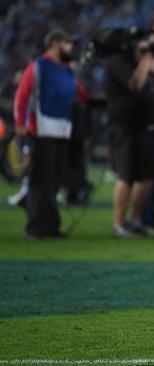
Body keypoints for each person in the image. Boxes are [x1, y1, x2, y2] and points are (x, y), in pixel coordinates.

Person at [13, 28, 86, 239]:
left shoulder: (66, 71)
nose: (71, 48)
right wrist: (20, 123)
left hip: (62, 130)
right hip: (41, 130)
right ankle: (35, 228)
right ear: (55, 43)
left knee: (55, 180)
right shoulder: (39, 66)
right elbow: (22, 95)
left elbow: (81, 94)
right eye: (68, 43)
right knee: (40, 180)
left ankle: (51, 226)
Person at [104, 33, 154, 238]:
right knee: (126, 175)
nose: (145, 49)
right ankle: (118, 224)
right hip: (123, 125)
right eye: (142, 45)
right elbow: (135, 84)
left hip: (142, 124)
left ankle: (134, 220)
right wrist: (146, 59)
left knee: (147, 176)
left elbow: (152, 80)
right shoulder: (117, 61)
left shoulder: (137, 62)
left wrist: (152, 63)